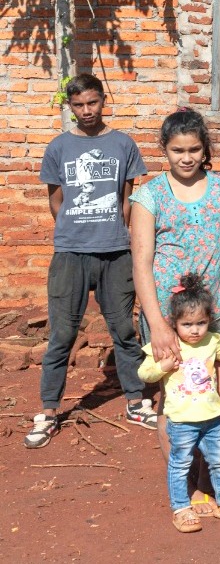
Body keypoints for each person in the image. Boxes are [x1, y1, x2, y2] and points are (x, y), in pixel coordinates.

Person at [130, 108, 220, 513]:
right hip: (170, 317)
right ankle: (182, 483)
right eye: (177, 150)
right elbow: (142, 263)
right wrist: (158, 326)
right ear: (164, 150)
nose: (186, 157)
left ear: (205, 150)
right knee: (177, 396)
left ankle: (209, 472)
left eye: (194, 149)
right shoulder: (149, 195)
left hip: (214, 312)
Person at [28, 74, 153, 450]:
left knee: (124, 331)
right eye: (79, 105)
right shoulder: (59, 147)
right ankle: (49, 412)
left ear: (103, 101)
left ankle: (135, 401)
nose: (86, 111)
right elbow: (56, 201)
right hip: (70, 254)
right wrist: (75, 232)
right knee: (62, 335)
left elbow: (126, 199)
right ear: (70, 106)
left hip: (115, 252)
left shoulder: (122, 144)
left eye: (93, 103)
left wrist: (116, 232)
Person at [137, 274, 220, 532]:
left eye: (201, 323)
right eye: (187, 324)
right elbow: (144, 374)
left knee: (219, 460)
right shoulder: (168, 346)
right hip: (181, 420)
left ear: (209, 321)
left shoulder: (211, 340)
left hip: (211, 418)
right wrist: (163, 366)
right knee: (180, 464)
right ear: (174, 323)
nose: (195, 330)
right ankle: (180, 507)